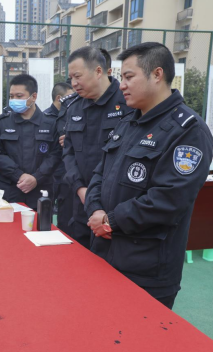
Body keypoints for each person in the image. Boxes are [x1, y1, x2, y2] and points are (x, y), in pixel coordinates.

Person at [85, 42, 213, 309]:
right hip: (104, 254)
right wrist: (95, 210)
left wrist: (110, 221)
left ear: (157, 74)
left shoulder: (188, 130)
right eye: (121, 78)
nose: (121, 85)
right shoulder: (128, 122)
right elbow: (100, 174)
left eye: (129, 77)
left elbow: (169, 200)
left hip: (146, 269)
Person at [62, 46, 133, 248]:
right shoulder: (74, 107)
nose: (73, 83)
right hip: (81, 202)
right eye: (71, 78)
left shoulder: (128, 103)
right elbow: (68, 152)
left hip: (112, 208)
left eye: (78, 76)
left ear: (99, 71)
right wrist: (80, 188)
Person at [0, 74, 62, 209]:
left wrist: (36, 178)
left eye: (19, 96)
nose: (14, 100)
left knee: (39, 228)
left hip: (40, 190)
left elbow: (56, 154)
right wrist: (19, 175)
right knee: (6, 228)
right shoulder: (2, 123)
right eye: (11, 96)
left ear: (33, 97)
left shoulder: (51, 123)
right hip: (9, 189)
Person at [43, 82, 74, 231]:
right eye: (70, 96)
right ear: (59, 98)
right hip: (49, 173)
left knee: (64, 212)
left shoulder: (71, 116)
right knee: (45, 211)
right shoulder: (46, 118)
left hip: (65, 172)